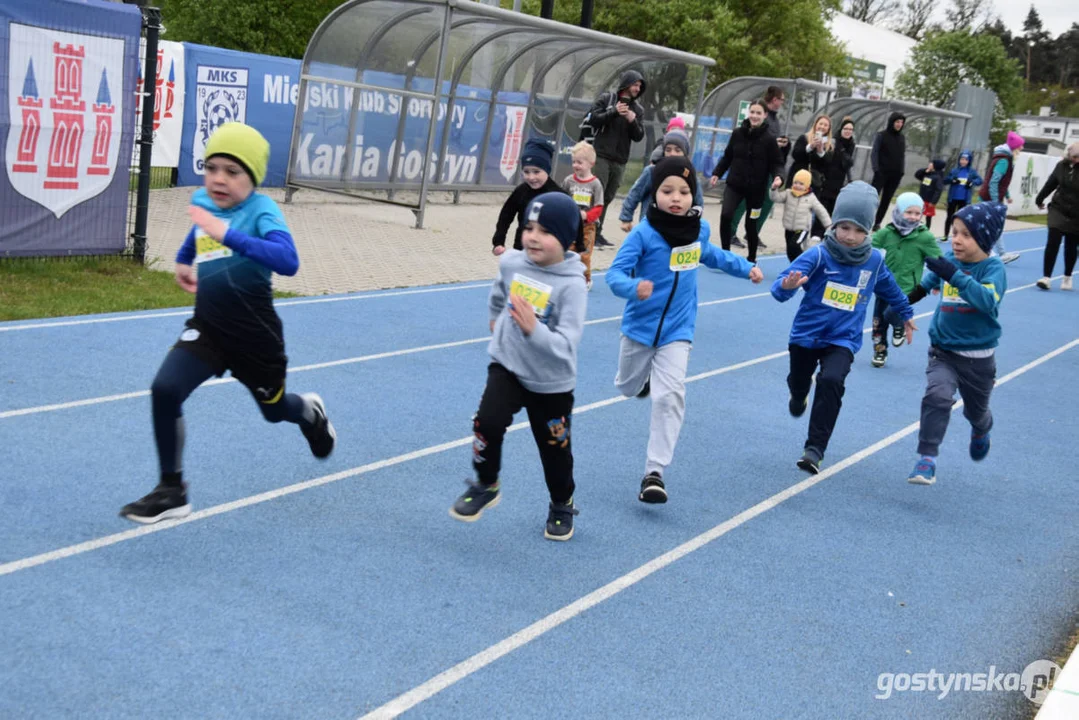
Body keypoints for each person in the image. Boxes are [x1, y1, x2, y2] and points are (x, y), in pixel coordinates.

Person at [120, 123, 336, 524]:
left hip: (256, 340)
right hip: (209, 329)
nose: (218, 178)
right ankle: (172, 490)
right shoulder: (205, 199)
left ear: (252, 178)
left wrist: (229, 234)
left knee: (274, 412)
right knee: (165, 389)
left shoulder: (262, 211)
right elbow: (200, 227)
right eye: (212, 167)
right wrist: (185, 259)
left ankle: (309, 412)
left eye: (232, 171)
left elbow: (288, 262)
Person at [606, 157, 763, 503]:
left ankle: (654, 472)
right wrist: (635, 288)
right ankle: (640, 381)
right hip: (640, 328)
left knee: (671, 395)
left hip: (679, 329)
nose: (676, 198)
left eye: (684, 191)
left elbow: (714, 256)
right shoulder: (643, 235)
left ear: (693, 196)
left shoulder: (697, 232)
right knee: (627, 387)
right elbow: (614, 275)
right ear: (655, 194)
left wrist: (746, 267)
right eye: (667, 191)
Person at [450, 192, 588, 541]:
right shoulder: (512, 264)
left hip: (551, 381)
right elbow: (498, 293)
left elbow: (566, 345)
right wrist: (496, 318)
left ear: (568, 240)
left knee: (555, 452)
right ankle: (486, 483)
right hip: (508, 365)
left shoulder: (573, 286)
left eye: (545, 231)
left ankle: (561, 502)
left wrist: (533, 329)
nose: (532, 237)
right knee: (487, 422)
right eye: (529, 227)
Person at [770, 181, 917, 475]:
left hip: (843, 339)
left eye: (859, 230)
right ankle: (798, 394)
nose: (850, 236)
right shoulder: (818, 254)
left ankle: (815, 449)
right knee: (799, 381)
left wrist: (905, 312)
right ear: (834, 225)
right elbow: (779, 289)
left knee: (832, 381)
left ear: (869, 231)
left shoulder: (874, 260)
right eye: (845, 228)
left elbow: (889, 288)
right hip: (806, 336)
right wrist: (786, 286)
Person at [904, 203, 1008, 486]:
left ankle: (981, 428)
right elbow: (925, 286)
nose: (957, 239)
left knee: (976, 412)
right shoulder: (950, 259)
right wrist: (899, 306)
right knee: (937, 397)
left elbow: (987, 301)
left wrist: (955, 275)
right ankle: (927, 458)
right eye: (954, 232)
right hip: (944, 352)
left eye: (966, 235)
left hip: (979, 358)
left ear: (984, 240)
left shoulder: (993, 268)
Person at [869, 192, 941, 368]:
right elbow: (869, 252)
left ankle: (900, 324)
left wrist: (937, 282)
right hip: (883, 286)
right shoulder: (885, 233)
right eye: (909, 212)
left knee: (890, 313)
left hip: (906, 287)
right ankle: (880, 350)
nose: (913, 217)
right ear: (898, 211)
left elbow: (938, 260)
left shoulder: (924, 237)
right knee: (879, 323)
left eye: (917, 214)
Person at [709, 99, 784, 264]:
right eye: (752, 112)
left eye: (758, 113)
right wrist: (717, 173)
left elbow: (777, 163)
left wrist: (779, 176)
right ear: (748, 113)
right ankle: (725, 253)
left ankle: (751, 257)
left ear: (764, 115)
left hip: (756, 189)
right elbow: (728, 156)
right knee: (726, 215)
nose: (755, 116)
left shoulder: (769, 139)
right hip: (735, 184)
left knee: (751, 223)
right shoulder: (737, 133)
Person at [584, 70, 646, 247]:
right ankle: (588, 231)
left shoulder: (638, 110)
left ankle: (598, 232)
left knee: (608, 196)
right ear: (627, 84)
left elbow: (639, 136)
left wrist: (632, 120)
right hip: (602, 155)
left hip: (620, 159)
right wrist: (613, 112)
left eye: (640, 86)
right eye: (635, 84)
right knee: (598, 194)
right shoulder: (607, 99)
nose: (637, 88)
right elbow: (593, 119)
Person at [727, 85, 790, 249]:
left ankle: (752, 232)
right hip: (753, 168)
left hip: (769, 168)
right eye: (781, 99)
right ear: (775, 99)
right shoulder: (757, 120)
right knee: (743, 202)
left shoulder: (775, 120)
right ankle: (730, 232)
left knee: (766, 202)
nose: (755, 116)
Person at [619, 129, 703, 229]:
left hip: (678, 229)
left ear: (685, 153)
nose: (672, 153)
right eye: (668, 150)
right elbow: (634, 194)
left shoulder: (689, 175)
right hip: (651, 227)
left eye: (677, 150)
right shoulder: (652, 172)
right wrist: (626, 218)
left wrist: (692, 223)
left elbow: (698, 204)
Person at [492, 138, 564, 255]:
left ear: (547, 170)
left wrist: (576, 246)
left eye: (536, 172)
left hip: (547, 254)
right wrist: (498, 242)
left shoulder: (558, 195)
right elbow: (505, 216)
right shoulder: (521, 191)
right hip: (521, 249)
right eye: (526, 172)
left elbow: (570, 223)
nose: (531, 177)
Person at [1035, 142, 1079, 291]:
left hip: (1077, 213)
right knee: (1053, 239)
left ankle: (1067, 276)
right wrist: (1039, 199)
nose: (1077, 160)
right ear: (1069, 155)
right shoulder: (1061, 166)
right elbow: (1051, 183)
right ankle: (1046, 277)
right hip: (1059, 207)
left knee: (1071, 245)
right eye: (1074, 157)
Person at [562, 141, 604, 290]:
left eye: (580, 162)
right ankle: (567, 276)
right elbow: (563, 198)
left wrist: (587, 215)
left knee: (584, 254)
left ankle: (586, 279)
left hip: (588, 226)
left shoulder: (595, 184)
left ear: (590, 163)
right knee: (568, 251)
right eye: (574, 162)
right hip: (571, 225)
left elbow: (599, 207)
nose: (576, 165)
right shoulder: (569, 181)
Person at [979, 131, 1025, 264]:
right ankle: (996, 253)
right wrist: (995, 201)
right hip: (990, 198)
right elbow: (994, 181)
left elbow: (1002, 182)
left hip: (990, 197)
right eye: (1020, 146)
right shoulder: (1004, 161)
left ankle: (995, 252)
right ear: (1014, 147)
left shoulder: (1004, 158)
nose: (1022, 149)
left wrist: (1007, 195)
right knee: (995, 226)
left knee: (993, 226)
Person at [770, 169, 832, 262]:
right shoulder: (788, 193)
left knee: (794, 246)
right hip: (789, 228)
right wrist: (774, 189)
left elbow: (821, 211)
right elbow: (776, 198)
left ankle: (806, 263)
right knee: (790, 251)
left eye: (801, 184)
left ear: (807, 185)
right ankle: (795, 267)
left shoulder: (811, 198)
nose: (797, 186)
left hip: (802, 228)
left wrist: (828, 225)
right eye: (796, 183)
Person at [817, 116, 855, 238]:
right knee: (822, 207)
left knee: (833, 209)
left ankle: (828, 233)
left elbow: (848, 164)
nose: (848, 131)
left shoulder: (851, 144)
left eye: (850, 129)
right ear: (841, 129)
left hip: (839, 180)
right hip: (827, 178)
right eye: (846, 128)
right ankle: (816, 233)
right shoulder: (833, 141)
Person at [871, 112, 907, 231]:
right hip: (881, 173)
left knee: (886, 200)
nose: (899, 124)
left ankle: (877, 222)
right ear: (892, 122)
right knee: (873, 198)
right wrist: (876, 169)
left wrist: (901, 171)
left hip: (895, 175)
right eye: (897, 122)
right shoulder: (882, 135)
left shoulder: (901, 138)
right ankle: (868, 219)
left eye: (901, 122)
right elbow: (875, 152)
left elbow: (902, 155)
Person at [942, 150, 983, 241]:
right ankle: (945, 235)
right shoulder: (954, 170)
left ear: (969, 161)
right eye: (962, 159)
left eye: (965, 160)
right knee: (950, 217)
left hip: (964, 199)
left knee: (961, 219)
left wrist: (971, 182)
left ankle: (958, 236)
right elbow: (945, 180)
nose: (963, 161)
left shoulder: (971, 172)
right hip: (953, 198)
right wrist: (952, 180)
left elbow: (980, 180)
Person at [788, 114, 834, 193]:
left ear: (829, 128)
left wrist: (820, 152)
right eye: (820, 124)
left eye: (826, 125)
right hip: (798, 179)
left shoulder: (829, 146)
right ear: (816, 125)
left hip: (814, 183)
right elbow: (795, 154)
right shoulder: (804, 138)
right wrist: (810, 147)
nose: (822, 127)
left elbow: (827, 165)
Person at [913, 158, 946, 232]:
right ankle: (914, 229)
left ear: (935, 166)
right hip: (921, 199)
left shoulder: (938, 177)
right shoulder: (927, 173)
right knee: (918, 214)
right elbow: (917, 175)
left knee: (928, 217)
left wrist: (933, 202)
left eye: (932, 163)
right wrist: (925, 170)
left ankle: (926, 231)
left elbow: (938, 190)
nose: (930, 164)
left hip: (929, 201)